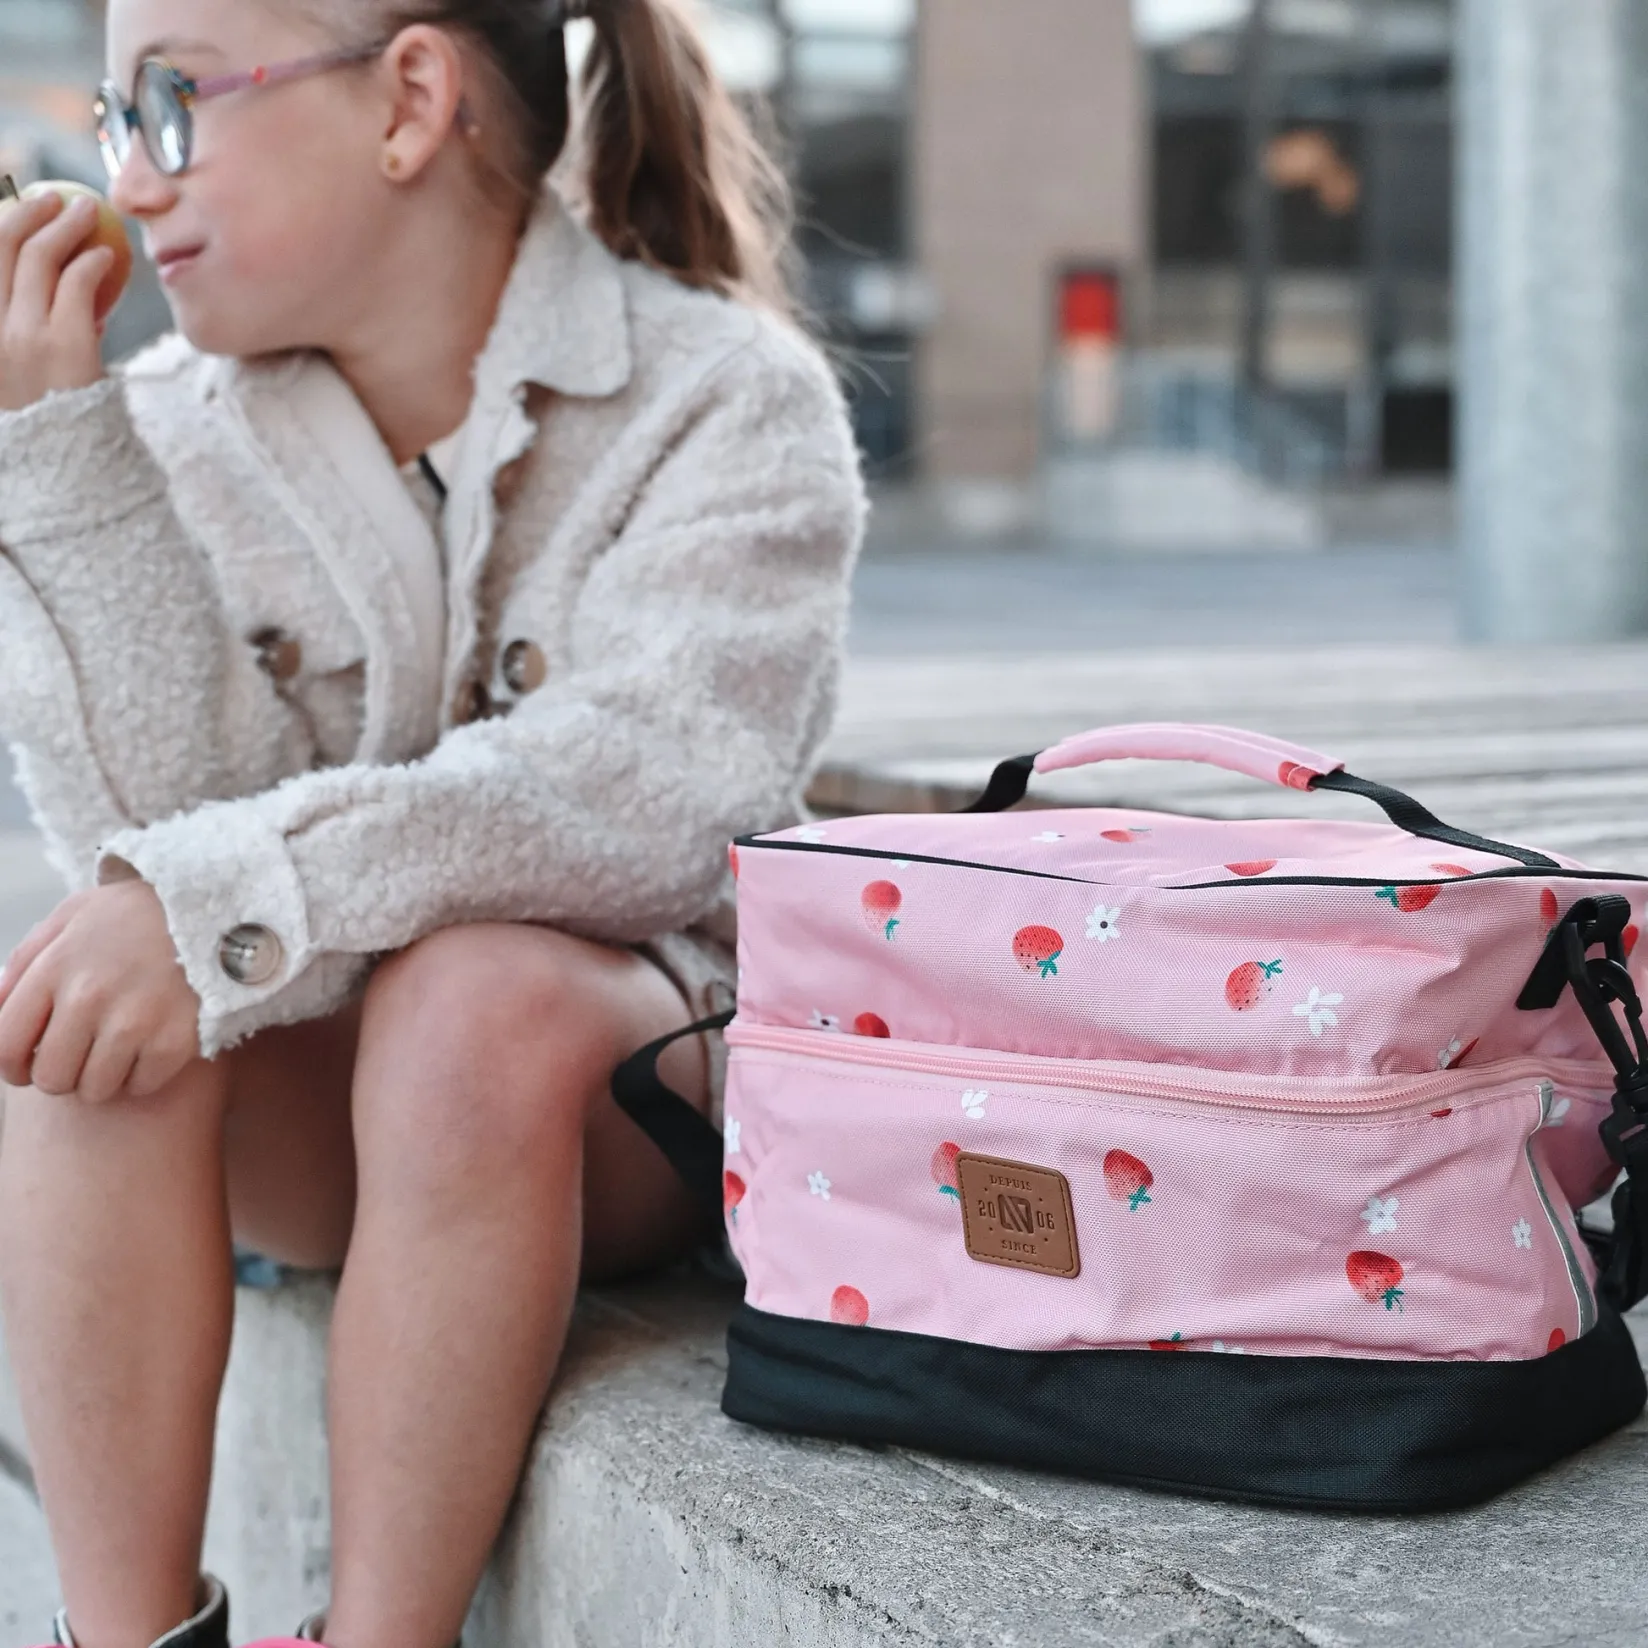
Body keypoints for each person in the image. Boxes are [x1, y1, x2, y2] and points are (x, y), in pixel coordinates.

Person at [0, 0, 864, 1643]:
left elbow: (647, 793)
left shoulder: (722, 398)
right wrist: (52, 461)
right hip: (324, 1124)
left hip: (621, 1101)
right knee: (82, 1005)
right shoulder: (165, 431)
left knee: (471, 1002)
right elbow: (152, 836)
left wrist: (243, 891)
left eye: (174, 103)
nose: (129, 181)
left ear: (408, 100)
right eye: (113, 124)